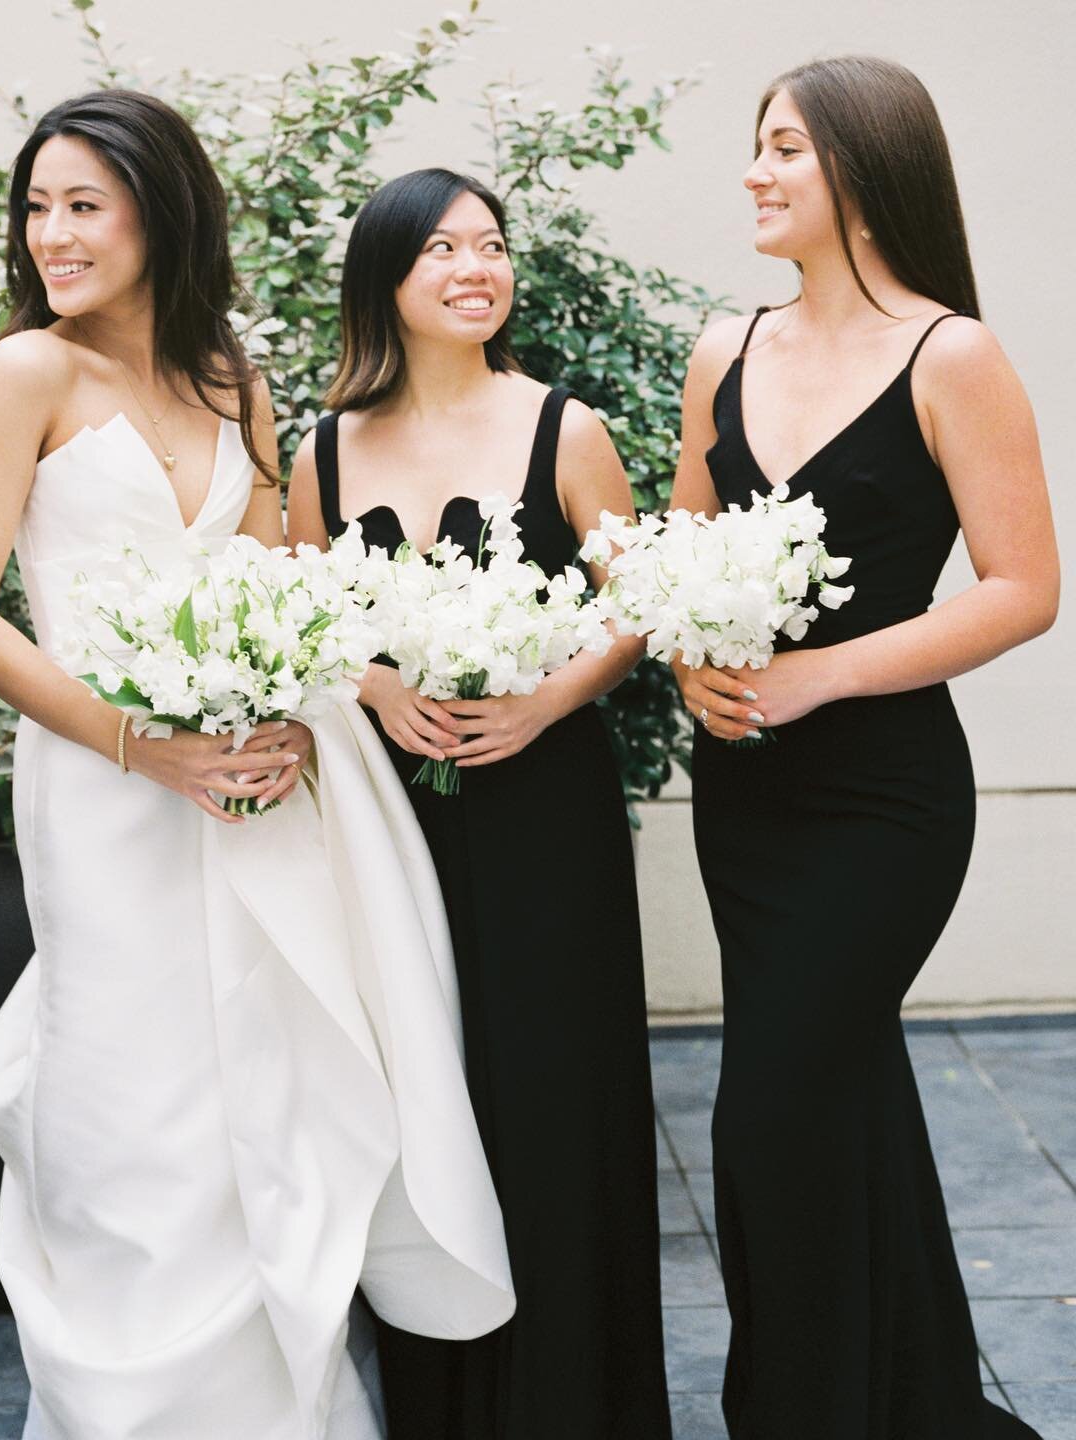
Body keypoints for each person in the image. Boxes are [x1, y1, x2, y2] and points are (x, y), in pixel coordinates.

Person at [0, 92, 514, 1440]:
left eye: (83, 204)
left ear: (160, 209)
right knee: (128, 1112)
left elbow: (276, 585)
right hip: (101, 793)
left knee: (260, 1094)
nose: (52, 235)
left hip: (253, 787)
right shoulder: (29, 371)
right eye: (37, 208)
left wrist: (286, 726)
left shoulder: (231, 381)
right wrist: (141, 742)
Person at [669, 55, 1058, 1439]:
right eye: (754, 147)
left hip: (884, 800)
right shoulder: (728, 346)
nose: (756, 174)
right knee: (841, 1089)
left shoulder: (951, 352)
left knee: (769, 1112)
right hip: (747, 794)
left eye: (784, 149)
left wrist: (820, 675)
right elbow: (683, 561)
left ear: (865, 169)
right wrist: (693, 665)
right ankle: (908, 1403)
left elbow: (1025, 588)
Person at [287, 166, 672, 1440]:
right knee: (421, 1103)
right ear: (384, 280)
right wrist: (376, 684)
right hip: (393, 820)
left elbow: (634, 608)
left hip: (542, 809)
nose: (475, 269)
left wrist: (544, 701)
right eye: (442, 249)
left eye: (492, 247)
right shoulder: (324, 450)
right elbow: (302, 622)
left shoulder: (565, 429)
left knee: (559, 1099)